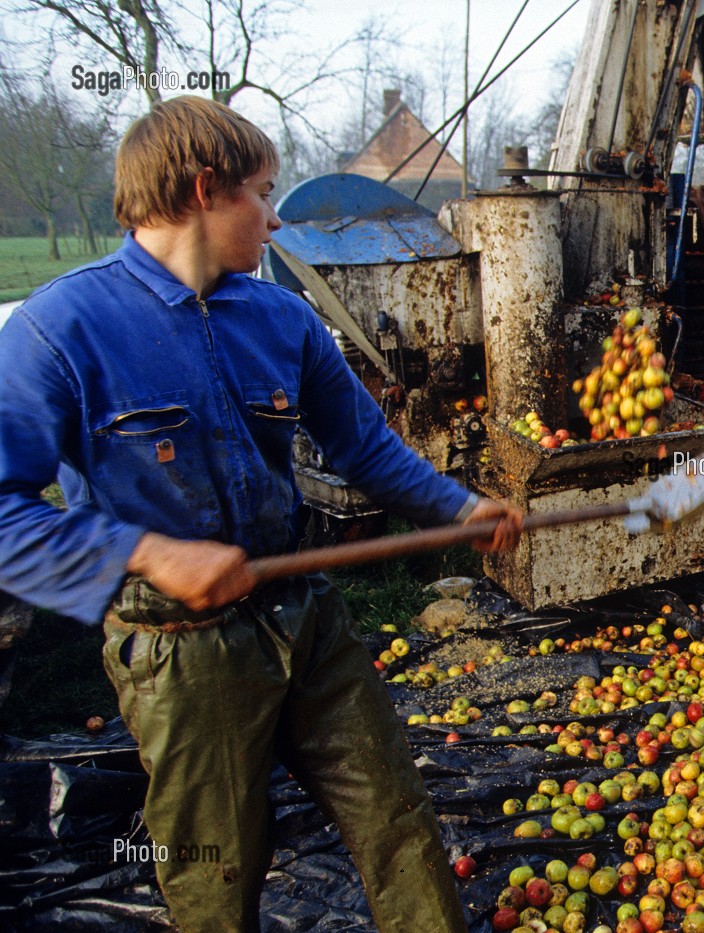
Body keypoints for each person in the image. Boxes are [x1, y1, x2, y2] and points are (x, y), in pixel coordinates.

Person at [0, 96, 522, 931]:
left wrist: (459, 506)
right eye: (265, 192)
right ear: (206, 189)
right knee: (212, 864)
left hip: (302, 615)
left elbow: (365, 448)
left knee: (397, 818)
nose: (276, 218)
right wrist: (148, 553)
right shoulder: (60, 332)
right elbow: (4, 518)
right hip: (182, 651)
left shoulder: (283, 317)